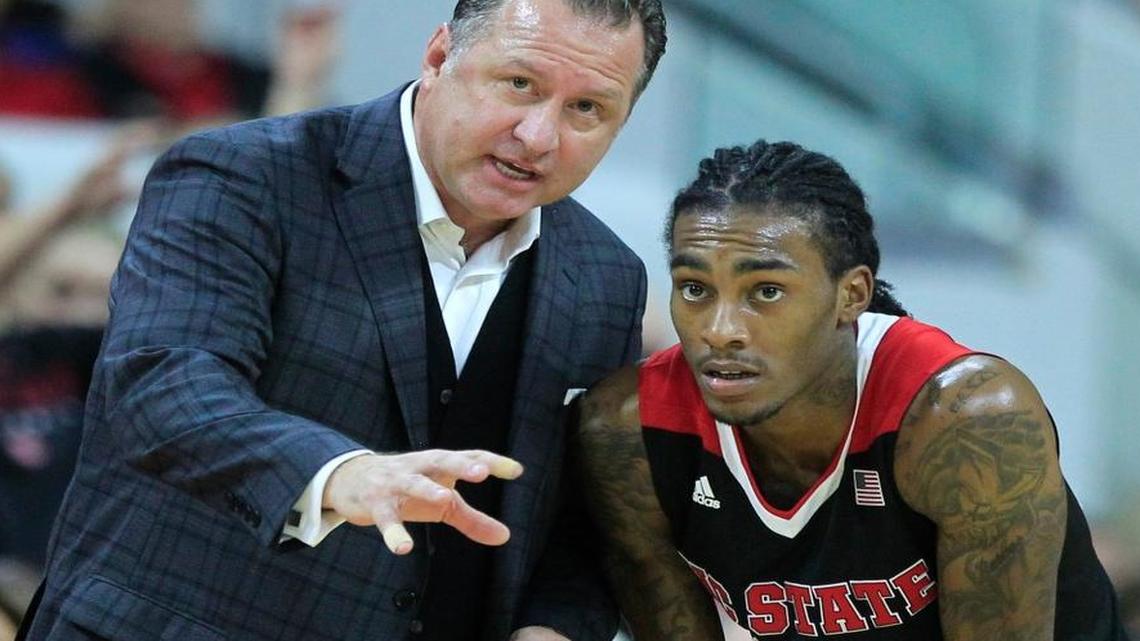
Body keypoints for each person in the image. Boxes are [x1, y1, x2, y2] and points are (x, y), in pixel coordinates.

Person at [19, 1, 666, 640]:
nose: (538, 136)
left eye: (587, 109)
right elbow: (162, 387)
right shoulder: (242, 174)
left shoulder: (606, 277)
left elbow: (581, 524)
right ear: (440, 56)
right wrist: (337, 475)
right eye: (519, 84)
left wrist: (552, 628)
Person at [576, 140, 1127, 640]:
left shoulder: (965, 419)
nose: (719, 330)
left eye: (766, 291)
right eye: (694, 288)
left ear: (852, 295)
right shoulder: (629, 430)